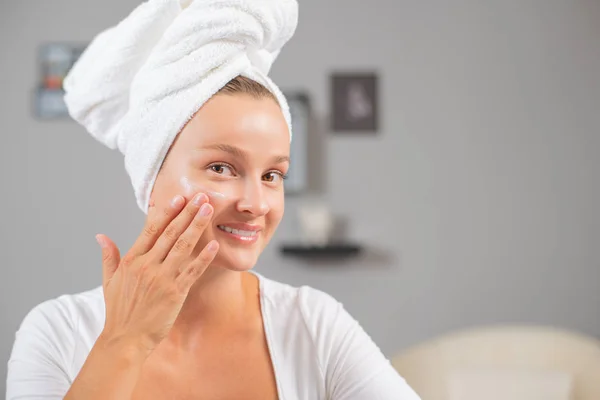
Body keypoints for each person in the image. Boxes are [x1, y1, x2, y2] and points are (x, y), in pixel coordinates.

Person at [7, 1, 421, 399]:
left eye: (272, 175)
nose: (256, 204)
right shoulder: (58, 334)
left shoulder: (313, 327)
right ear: (152, 176)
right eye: (222, 168)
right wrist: (124, 341)